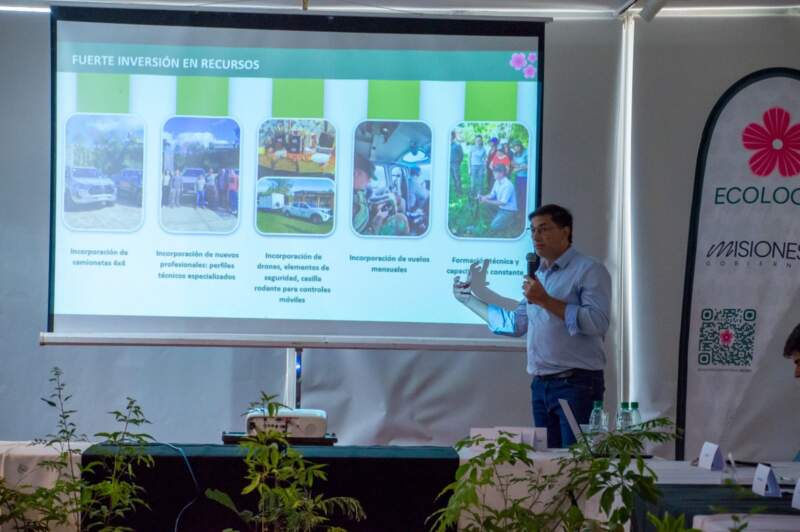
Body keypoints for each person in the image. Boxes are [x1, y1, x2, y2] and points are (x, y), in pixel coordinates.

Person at [453, 204, 611, 448]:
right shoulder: (540, 276)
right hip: (541, 386)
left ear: (566, 231)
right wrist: (468, 300)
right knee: (548, 468)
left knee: (577, 467)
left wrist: (545, 300)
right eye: (533, 230)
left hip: (576, 385)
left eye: (544, 229)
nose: (536, 237)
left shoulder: (589, 270)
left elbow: (597, 323)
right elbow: (516, 324)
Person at [479, 164, 517, 234]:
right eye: (494, 172)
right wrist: (483, 197)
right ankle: (498, 218)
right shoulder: (497, 181)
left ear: (501, 173)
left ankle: (510, 221)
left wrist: (487, 201)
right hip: (501, 208)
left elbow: (503, 202)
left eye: (495, 172)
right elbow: (492, 195)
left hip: (508, 211)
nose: (493, 174)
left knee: (494, 226)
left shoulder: (507, 185)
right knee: (486, 205)